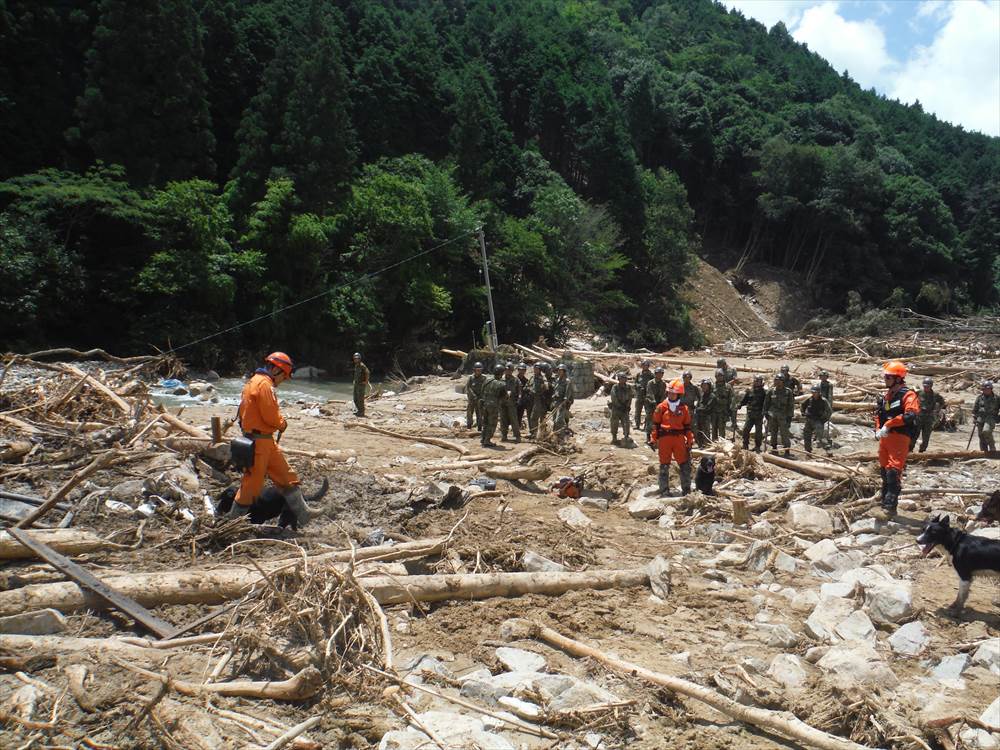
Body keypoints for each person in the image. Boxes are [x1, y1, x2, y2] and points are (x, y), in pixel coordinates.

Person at [228, 352, 312, 526]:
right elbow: (271, 417)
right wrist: (282, 423)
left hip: (264, 440)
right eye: (284, 376)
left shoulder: (253, 382)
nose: (283, 380)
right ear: (275, 369)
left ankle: (304, 514)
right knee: (252, 485)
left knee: (286, 476)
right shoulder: (265, 385)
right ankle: (233, 521)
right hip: (260, 442)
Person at [874, 360, 920, 516]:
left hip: (900, 437)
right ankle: (883, 501)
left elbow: (910, 415)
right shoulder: (888, 395)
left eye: (888, 377)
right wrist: (878, 428)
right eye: (885, 377)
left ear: (898, 378)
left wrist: (889, 424)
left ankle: (889, 507)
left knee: (893, 472)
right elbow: (879, 413)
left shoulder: (908, 395)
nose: (885, 380)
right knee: (884, 470)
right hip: (885, 437)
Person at [649, 379, 694, 496]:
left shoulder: (684, 409)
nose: (671, 395)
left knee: (684, 464)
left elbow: (687, 427)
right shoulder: (661, 407)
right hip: (665, 439)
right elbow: (655, 425)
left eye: (673, 393)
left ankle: (686, 490)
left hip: (679, 439)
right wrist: (653, 439)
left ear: (679, 394)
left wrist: (690, 440)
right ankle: (664, 490)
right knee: (664, 465)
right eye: (669, 393)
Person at [764, 373, 794, 457]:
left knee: (784, 434)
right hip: (773, 416)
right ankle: (774, 449)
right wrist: (765, 413)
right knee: (773, 433)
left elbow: (791, 405)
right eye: (775, 380)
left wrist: (790, 417)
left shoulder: (788, 392)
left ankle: (787, 451)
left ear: (783, 381)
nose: (776, 382)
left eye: (778, 380)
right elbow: (766, 403)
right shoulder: (771, 391)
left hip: (783, 416)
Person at [913, 376, 945, 452]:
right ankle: (910, 451)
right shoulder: (919, 393)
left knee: (926, 437)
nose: (925, 388)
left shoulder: (935, 395)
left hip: (929, 418)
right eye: (924, 386)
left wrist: (937, 410)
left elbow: (942, 402)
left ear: (931, 386)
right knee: (914, 435)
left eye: (927, 386)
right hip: (919, 417)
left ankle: (922, 452)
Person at [480, 365, 508, 448]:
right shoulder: (501, 384)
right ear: (501, 373)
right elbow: (504, 397)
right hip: (493, 406)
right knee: (492, 423)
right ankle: (487, 441)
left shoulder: (487, 380)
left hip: (484, 404)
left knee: (485, 422)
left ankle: (483, 438)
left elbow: (482, 391)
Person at [801, 384, 833, 455]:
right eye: (813, 392)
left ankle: (828, 450)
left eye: (815, 392)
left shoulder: (823, 401)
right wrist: (803, 413)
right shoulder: (809, 399)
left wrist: (824, 420)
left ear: (819, 392)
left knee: (820, 437)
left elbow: (829, 411)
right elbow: (802, 405)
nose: (814, 394)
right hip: (809, 420)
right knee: (806, 435)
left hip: (818, 421)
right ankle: (808, 451)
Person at [738, 375, 766, 452]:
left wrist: (766, 412)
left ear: (761, 382)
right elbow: (745, 400)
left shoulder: (764, 393)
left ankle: (757, 446)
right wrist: (739, 405)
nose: (756, 382)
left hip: (759, 414)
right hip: (750, 414)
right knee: (746, 429)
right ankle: (745, 444)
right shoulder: (750, 391)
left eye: (758, 381)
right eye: (755, 381)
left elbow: (766, 403)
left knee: (758, 432)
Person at [972, 380, 998, 453]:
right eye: (985, 389)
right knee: (981, 435)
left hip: (991, 418)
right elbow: (975, 409)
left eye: (988, 389)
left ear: (991, 389)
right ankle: (984, 452)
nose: (986, 390)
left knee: (986, 431)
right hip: (980, 418)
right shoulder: (979, 398)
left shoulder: (996, 398)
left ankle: (992, 448)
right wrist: (974, 417)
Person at [609, 371, 634, 445]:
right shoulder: (615, 387)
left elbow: (630, 397)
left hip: (625, 408)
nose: (623, 380)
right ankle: (614, 437)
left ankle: (626, 436)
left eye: (624, 378)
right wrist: (619, 405)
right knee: (614, 423)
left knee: (626, 422)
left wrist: (628, 406)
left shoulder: (628, 387)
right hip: (616, 408)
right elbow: (613, 397)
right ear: (619, 379)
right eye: (621, 378)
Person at [499, 361, 522, 443]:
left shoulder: (515, 380)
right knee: (503, 420)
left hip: (512, 403)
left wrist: (519, 399)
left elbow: (519, 391)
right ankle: (504, 435)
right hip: (502, 402)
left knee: (514, 420)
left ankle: (517, 436)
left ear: (512, 371)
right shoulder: (501, 379)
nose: (507, 371)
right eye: (506, 370)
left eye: (509, 370)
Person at [551, 363, 575, 436]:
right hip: (556, 402)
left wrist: (563, 402)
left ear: (564, 372)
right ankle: (556, 434)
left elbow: (567, 394)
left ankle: (562, 435)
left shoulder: (567, 381)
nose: (559, 372)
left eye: (561, 371)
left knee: (559, 420)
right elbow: (555, 390)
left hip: (563, 403)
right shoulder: (557, 380)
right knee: (554, 420)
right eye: (558, 370)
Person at [644, 367, 667, 440]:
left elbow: (664, 394)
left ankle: (657, 436)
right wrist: (654, 402)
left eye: (661, 374)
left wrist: (661, 403)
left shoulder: (663, 384)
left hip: (659, 404)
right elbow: (649, 393)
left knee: (659, 420)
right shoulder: (650, 383)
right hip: (650, 404)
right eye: (658, 373)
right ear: (655, 374)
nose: (659, 375)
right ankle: (648, 436)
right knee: (649, 419)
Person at [528, 363, 549, 439]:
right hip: (532, 399)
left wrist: (542, 387)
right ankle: (535, 434)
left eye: (536, 369)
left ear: (540, 370)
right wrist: (529, 389)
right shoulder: (532, 377)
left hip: (539, 400)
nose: (535, 370)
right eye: (534, 369)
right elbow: (527, 386)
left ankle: (539, 434)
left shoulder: (542, 378)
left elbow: (546, 387)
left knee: (536, 417)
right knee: (534, 417)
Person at [712, 368, 733, 441]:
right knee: (714, 429)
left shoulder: (728, 386)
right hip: (714, 412)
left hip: (723, 412)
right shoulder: (712, 386)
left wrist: (731, 410)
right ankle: (714, 443)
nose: (719, 377)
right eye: (718, 376)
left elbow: (731, 399)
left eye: (721, 376)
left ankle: (722, 443)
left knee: (722, 429)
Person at [465, 362, 486, 431]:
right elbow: (468, 387)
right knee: (469, 413)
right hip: (472, 399)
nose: (478, 371)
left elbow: (485, 387)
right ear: (474, 370)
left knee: (479, 414)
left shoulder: (484, 378)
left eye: (480, 370)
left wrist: (482, 396)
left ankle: (479, 427)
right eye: (477, 370)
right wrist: (473, 395)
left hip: (480, 399)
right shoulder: (471, 378)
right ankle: (469, 426)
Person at [634, 360, 654, 430]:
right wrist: (638, 386)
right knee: (637, 411)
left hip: (647, 396)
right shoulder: (639, 374)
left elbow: (653, 384)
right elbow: (635, 383)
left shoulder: (651, 375)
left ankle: (646, 426)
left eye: (646, 365)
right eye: (644, 365)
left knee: (648, 412)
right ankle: (637, 425)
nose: (645, 367)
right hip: (639, 395)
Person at [694, 378, 715, 447]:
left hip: (706, 417)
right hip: (699, 416)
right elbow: (698, 404)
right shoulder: (702, 395)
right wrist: (697, 409)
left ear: (709, 386)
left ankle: (706, 445)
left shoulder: (712, 396)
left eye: (706, 385)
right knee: (699, 431)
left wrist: (698, 409)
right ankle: (700, 445)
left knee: (706, 432)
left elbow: (708, 408)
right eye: (703, 385)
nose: (704, 387)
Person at [818, 370, 834, 447]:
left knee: (826, 422)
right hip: (819, 405)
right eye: (822, 376)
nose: (823, 378)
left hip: (826, 405)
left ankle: (827, 437)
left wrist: (829, 407)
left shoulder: (829, 385)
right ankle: (818, 436)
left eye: (824, 376)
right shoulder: (818, 385)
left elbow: (830, 396)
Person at [352, 352, 369, 417]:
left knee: (360, 399)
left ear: (360, 358)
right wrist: (354, 380)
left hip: (361, 385)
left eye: (357, 358)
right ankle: (359, 410)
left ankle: (361, 412)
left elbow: (367, 373)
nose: (356, 359)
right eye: (355, 358)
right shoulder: (356, 365)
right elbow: (356, 374)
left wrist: (366, 381)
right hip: (356, 384)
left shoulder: (362, 366)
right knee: (355, 398)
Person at [515, 362, 531, 429]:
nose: (522, 371)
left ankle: (517, 428)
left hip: (522, 402)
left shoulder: (526, 380)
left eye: (523, 370)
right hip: (514, 401)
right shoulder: (514, 379)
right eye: (520, 370)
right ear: (518, 370)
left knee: (520, 416)